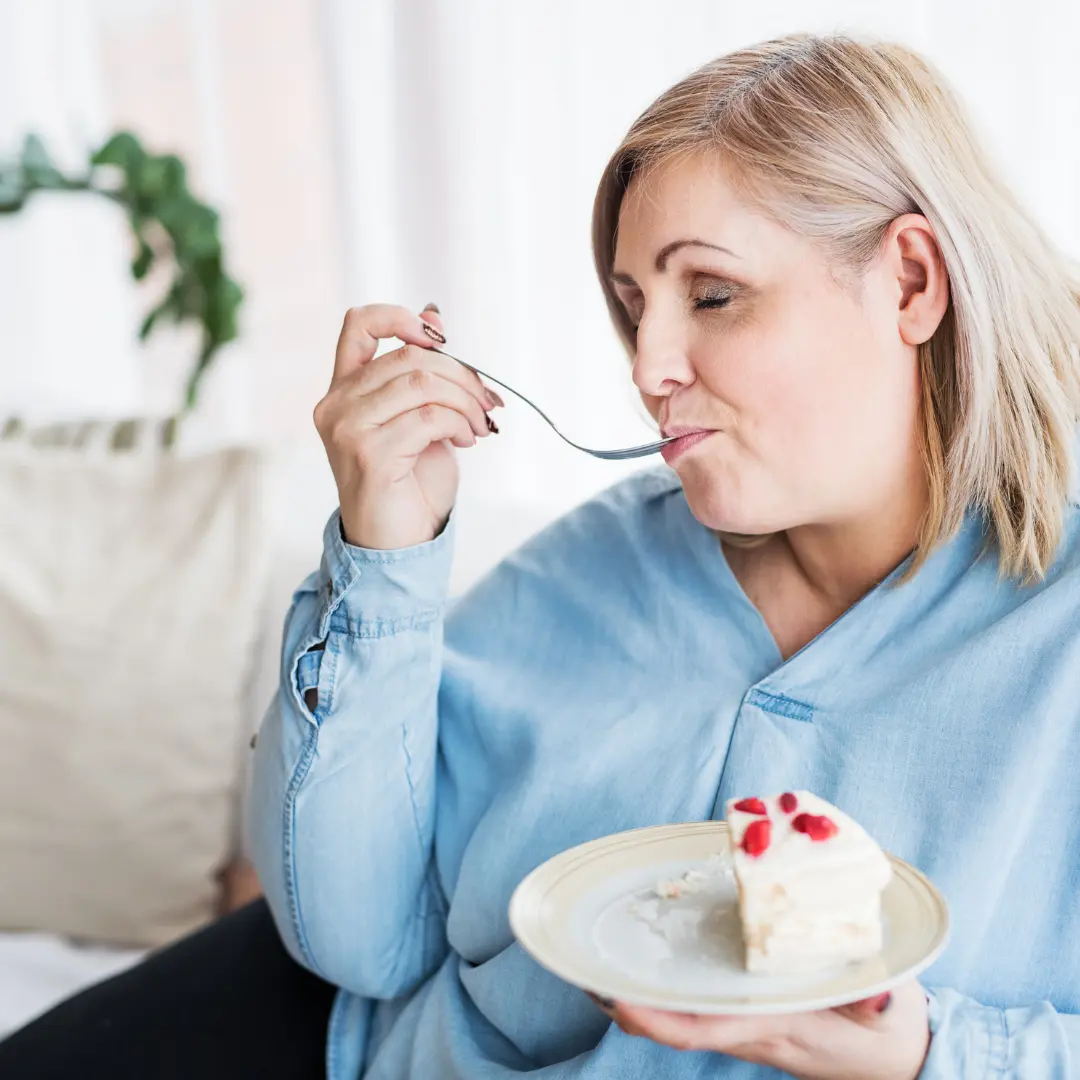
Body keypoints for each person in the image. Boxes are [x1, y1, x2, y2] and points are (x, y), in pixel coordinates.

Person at [3, 30, 1080, 1080]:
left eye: (711, 294)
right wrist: (387, 549)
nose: (649, 364)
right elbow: (355, 943)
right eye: (632, 307)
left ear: (911, 282)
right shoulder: (579, 579)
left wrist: (936, 1056)